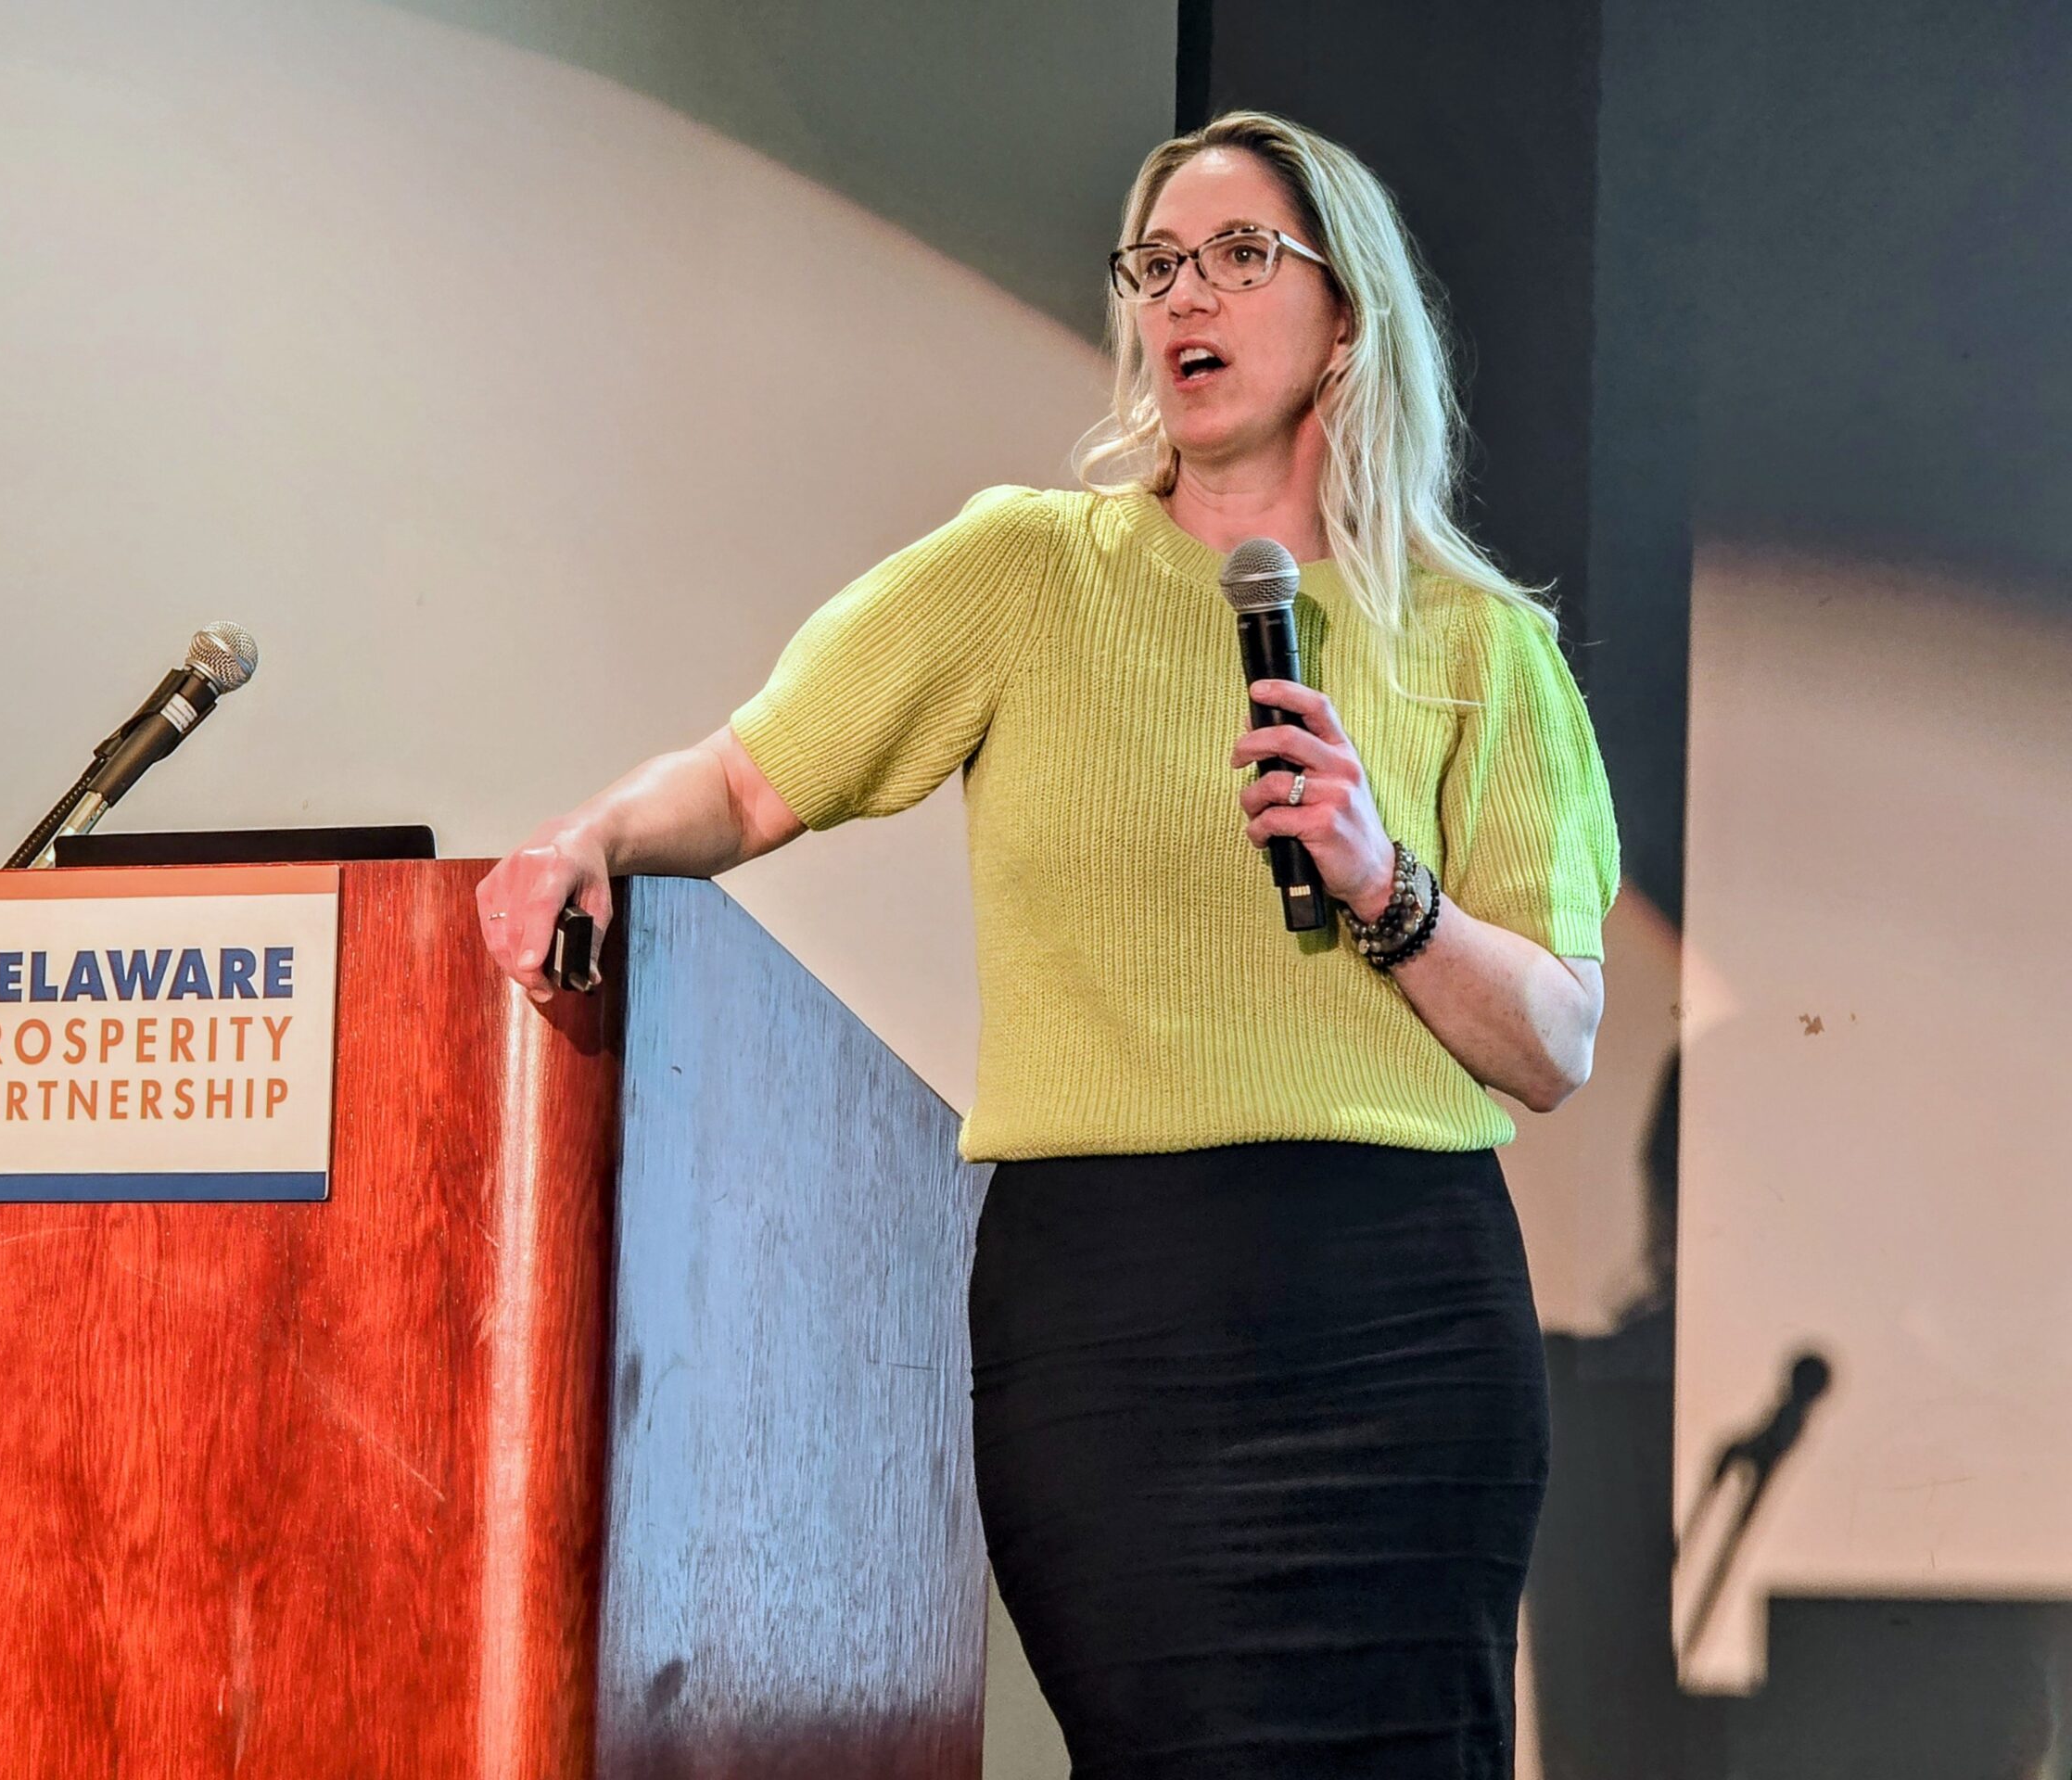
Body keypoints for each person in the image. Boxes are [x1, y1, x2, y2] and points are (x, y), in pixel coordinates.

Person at [477, 108, 1617, 1779]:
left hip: (1400, 1313)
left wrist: (1387, 886)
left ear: (1349, 316)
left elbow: (1556, 1040)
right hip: (1115, 1312)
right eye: (1157, 264)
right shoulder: (1025, 573)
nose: (1184, 297)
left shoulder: (1480, 644)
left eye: (1239, 256)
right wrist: (592, 834)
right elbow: (745, 772)